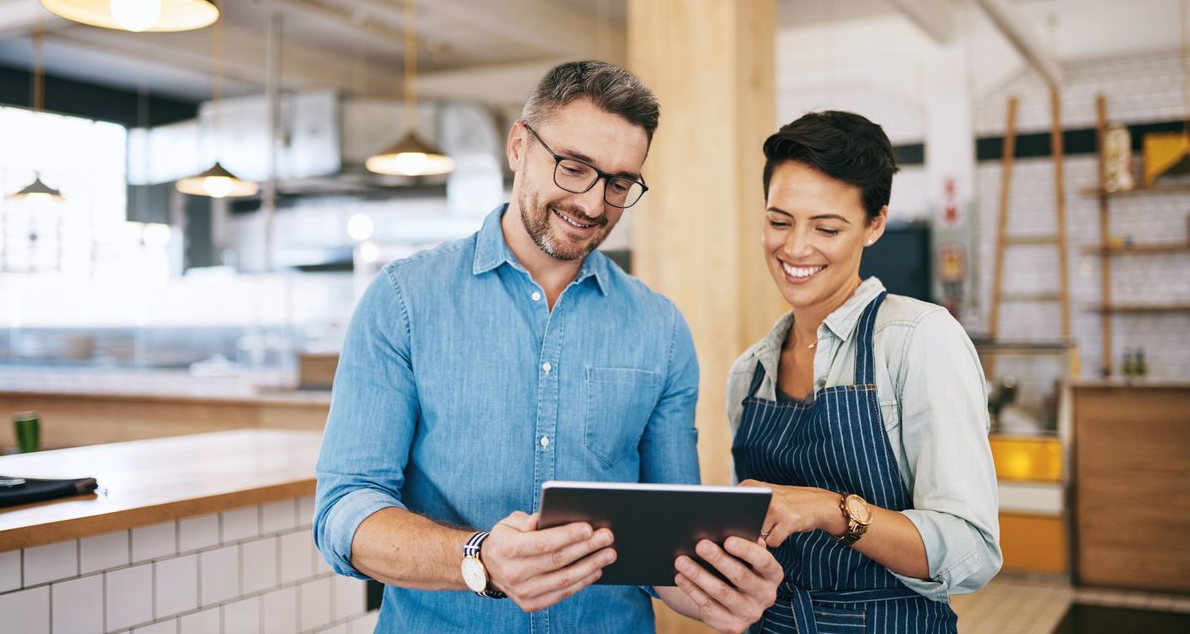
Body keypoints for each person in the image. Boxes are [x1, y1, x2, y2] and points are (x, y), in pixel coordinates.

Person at [314, 61, 781, 634]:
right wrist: (479, 557)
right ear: (518, 146)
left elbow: (663, 550)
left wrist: (717, 592)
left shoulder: (661, 328)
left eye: (618, 183)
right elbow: (344, 512)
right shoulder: (404, 301)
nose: (592, 204)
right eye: (574, 167)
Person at [728, 111, 1001, 633]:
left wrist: (830, 509)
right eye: (779, 221)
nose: (795, 247)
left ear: (875, 224)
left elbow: (972, 549)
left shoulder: (918, 339)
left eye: (826, 227)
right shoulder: (749, 372)